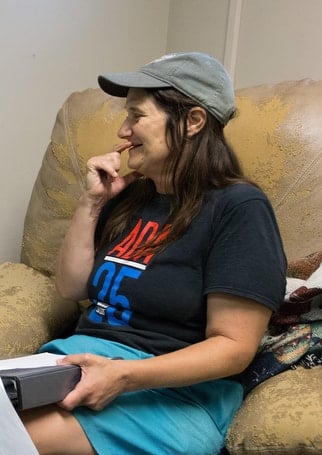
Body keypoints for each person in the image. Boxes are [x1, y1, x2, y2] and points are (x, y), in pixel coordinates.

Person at [20, 52, 286, 454]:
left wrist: (123, 376)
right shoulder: (129, 198)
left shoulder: (239, 208)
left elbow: (234, 346)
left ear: (193, 121)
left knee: (6, 435)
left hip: (174, 394)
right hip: (80, 364)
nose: (124, 131)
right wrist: (91, 204)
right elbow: (70, 286)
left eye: (137, 116)